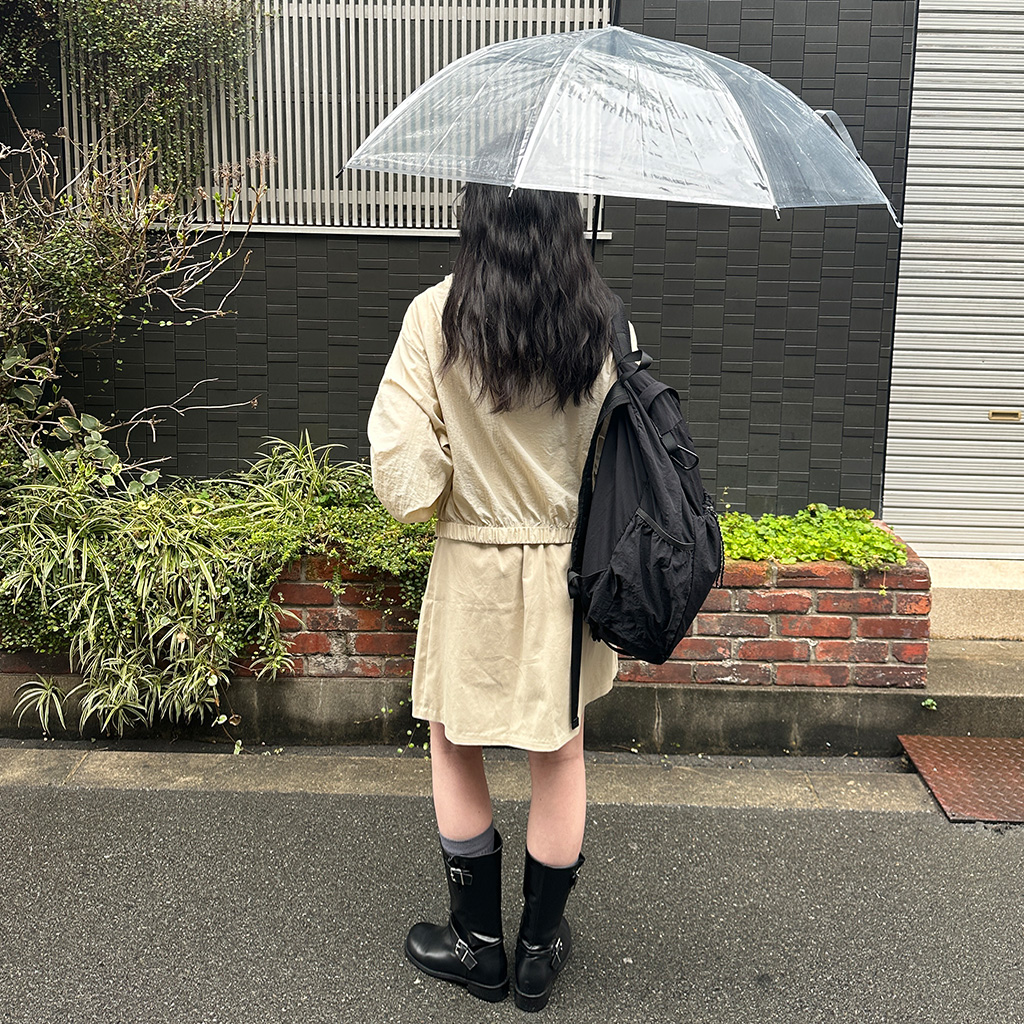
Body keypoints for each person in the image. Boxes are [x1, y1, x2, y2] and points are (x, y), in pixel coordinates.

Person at [367, 182, 624, 1011]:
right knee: (562, 750)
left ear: (474, 216)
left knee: (454, 742)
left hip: (473, 567)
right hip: (571, 572)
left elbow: (406, 479)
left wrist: (460, 461)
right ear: (566, 219)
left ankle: (478, 949)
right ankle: (538, 955)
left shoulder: (435, 317)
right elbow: (621, 457)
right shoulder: (603, 323)